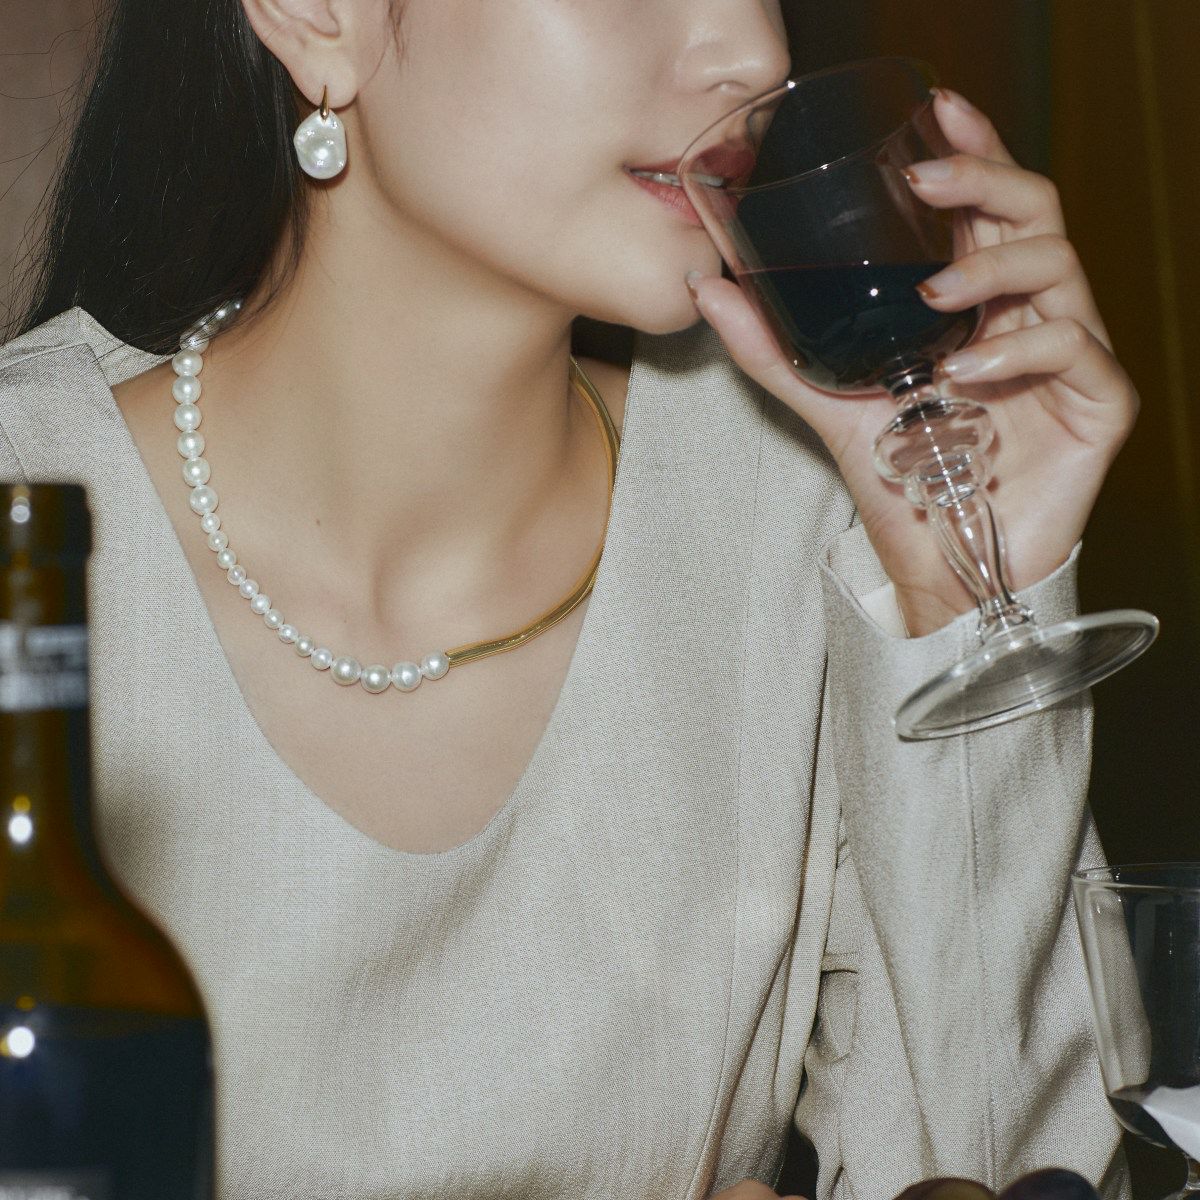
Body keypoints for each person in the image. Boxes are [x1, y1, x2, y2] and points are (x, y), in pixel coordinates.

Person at [0, 1, 1137, 1198]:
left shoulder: (793, 508)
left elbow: (1011, 1164)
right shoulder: (36, 526)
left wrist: (961, 594)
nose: (753, 51)